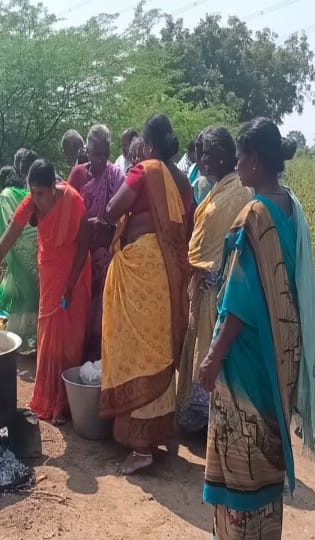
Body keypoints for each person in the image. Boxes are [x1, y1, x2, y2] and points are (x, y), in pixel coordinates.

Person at [198, 118, 315, 539]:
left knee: (242, 450)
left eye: (241, 157)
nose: (237, 163)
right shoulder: (291, 206)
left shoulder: (255, 214)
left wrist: (213, 356)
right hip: (280, 352)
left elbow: (240, 300)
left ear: (256, 161)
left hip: (246, 356)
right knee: (265, 448)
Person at [100, 113, 192, 475]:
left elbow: (112, 210)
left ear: (149, 145)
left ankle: (140, 447)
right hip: (167, 274)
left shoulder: (143, 170)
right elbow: (189, 219)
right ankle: (158, 434)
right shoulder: (182, 179)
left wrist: (136, 166)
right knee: (157, 348)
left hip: (141, 270)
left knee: (136, 350)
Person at [0, 159, 91, 426]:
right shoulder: (30, 204)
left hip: (76, 271)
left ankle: (67, 402)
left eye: (40, 193)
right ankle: (52, 401)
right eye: (32, 192)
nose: (35, 198)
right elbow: (3, 245)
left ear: (53, 187)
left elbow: (85, 242)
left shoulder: (72, 199)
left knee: (71, 338)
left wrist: (71, 283)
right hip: (49, 274)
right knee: (49, 336)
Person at [176, 127, 251, 435]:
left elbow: (237, 245)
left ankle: (207, 418)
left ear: (223, 155)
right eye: (200, 152)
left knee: (211, 352)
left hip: (220, 288)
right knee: (197, 348)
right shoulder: (217, 188)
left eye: (207, 152)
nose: (202, 158)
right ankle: (195, 413)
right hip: (202, 286)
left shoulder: (240, 193)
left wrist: (216, 277)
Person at [67, 125, 125, 362]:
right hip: (82, 253)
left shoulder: (117, 176)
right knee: (80, 310)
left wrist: (106, 227)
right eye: (95, 154)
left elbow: (124, 218)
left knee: (101, 313)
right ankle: (77, 360)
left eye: (105, 154)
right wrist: (84, 224)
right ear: (87, 151)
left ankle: (101, 361)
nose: (100, 160)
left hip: (107, 253)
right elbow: (67, 213)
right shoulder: (78, 175)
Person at [0, 164, 39, 348]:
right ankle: (34, 337)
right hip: (37, 249)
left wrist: (12, 252)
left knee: (15, 290)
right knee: (32, 291)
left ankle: (20, 339)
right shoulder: (26, 191)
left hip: (20, 248)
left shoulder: (5, 194)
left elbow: (7, 225)